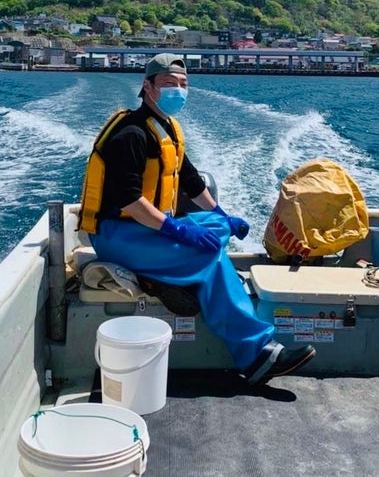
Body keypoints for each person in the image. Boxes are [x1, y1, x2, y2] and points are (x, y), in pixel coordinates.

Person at [78, 52, 316, 385]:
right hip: (118, 235)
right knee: (208, 254)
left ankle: (163, 276)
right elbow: (130, 202)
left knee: (215, 229)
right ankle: (256, 354)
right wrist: (178, 230)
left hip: (148, 227)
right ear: (147, 87)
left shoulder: (167, 128)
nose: (178, 90)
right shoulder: (130, 134)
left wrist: (222, 215)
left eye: (183, 84)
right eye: (168, 83)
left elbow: (191, 181)